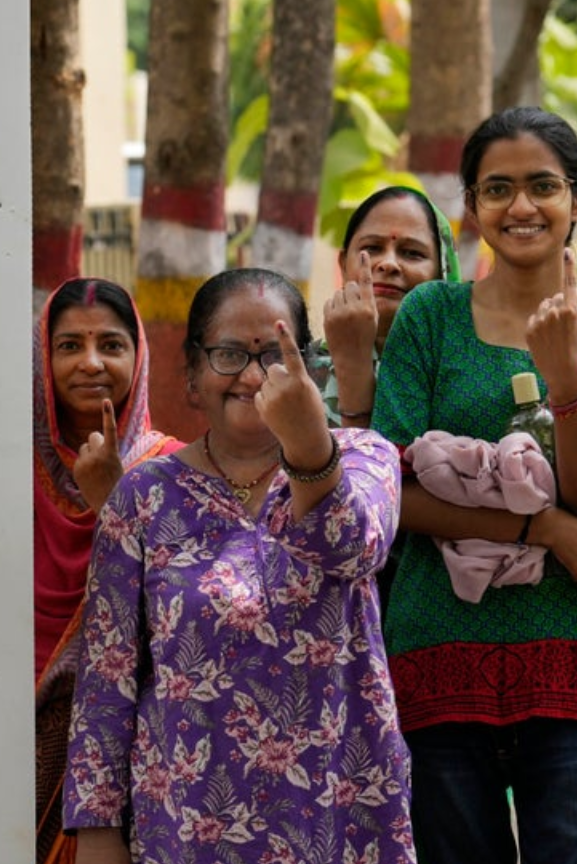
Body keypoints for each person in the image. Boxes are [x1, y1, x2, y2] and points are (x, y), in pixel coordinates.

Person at [372, 107, 577, 864]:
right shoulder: (430, 318)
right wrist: (544, 529)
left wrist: (567, 378)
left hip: (573, 667)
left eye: (542, 187)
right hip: (438, 658)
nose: (521, 206)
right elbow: (391, 492)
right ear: (472, 206)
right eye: (497, 189)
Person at [63, 269, 414, 864]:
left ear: (308, 366)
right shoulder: (144, 497)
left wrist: (308, 450)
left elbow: (354, 545)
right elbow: (107, 677)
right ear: (193, 376)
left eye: (274, 354)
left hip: (339, 815)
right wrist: (97, 830)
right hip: (185, 823)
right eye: (229, 354)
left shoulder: (365, 458)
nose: (252, 376)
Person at [32, 277, 182, 863]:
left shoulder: (172, 468)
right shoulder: (3, 467)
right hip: (11, 712)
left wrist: (113, 501)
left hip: (132, 724)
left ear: (138, 357)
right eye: (68, 346)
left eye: (111, 345)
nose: (90, 363)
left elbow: (181, 605)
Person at [319, 184, 458, 428]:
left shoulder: (465, 373)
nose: (388, 264)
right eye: (372, 248)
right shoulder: (300, 372)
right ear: (343, 264)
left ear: (443, 273)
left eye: (411, 252)